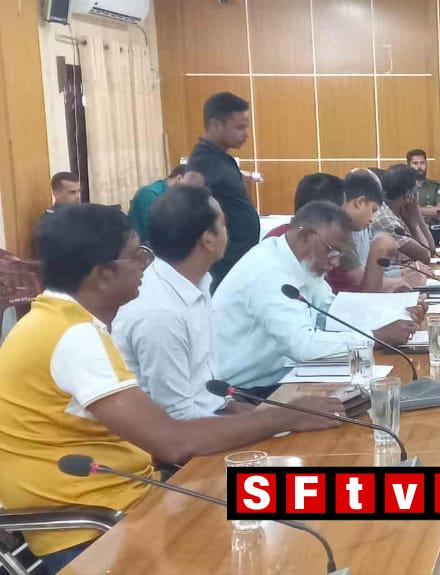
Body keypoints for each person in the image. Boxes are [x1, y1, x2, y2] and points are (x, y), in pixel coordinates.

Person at [0, 204, 344, 571]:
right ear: (101, 274)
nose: (146, 266)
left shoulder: (59, 322)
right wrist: (282, 417)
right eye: (137, 256)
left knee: (298, 505)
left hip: (131, 497)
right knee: (283, 538)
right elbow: (172, 441)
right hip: (94, 531)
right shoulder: (72, 337)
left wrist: (272, 416)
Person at [213, 202, 421, 396]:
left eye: (340, 254)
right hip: (245, 392)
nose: (335, 262)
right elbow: (303, 346)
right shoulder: (267, 271)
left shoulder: (302, 261)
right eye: (332, 251)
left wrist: (394, 312)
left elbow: (332, 312)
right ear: (305, 236)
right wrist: (376, 337)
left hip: (287, 376)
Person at [114, 185, 235, 419]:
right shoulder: (160, 313)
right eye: (223, 225)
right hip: (178, 434)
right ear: (208, 240)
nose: (227, 233)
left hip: (210, 416)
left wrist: (242, 411)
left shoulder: (195, 282)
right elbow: (177, 416)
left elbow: (205, 387)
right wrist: (258, 425)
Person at [264, 171, 400, 293]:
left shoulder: (310, 254)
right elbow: (361, 293)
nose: (336, 262)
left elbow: (326, 303)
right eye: (340, 211)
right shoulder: (277, 258)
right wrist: (379, 250)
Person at [186, 92, 256, 289]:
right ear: (216, 125)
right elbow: (185, 207)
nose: (246, 134)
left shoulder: (221, 158)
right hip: (222, 266)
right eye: (240, 127)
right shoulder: (203, 161)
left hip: (236, 260)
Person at [370, 164, 436, 265]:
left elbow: (432, 250)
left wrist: (416, 214)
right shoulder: (386, 220)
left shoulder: (398, 211)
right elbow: (426, 256)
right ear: (409, 195)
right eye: (416, 191)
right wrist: (414, 224)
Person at [128, 165, 206, 243]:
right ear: (179, 178)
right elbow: (155, 232)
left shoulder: (175, 196)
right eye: (190, 188)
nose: (190, 193)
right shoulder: (149, 193)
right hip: (145, 246)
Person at [408, 148, 440, 243]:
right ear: (409, 165)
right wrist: (430, 211)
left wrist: (416, 210)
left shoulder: (435, 186)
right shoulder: (404, 187)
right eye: (415, 163)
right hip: (411, 230)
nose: (419, 167)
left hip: (434, 229)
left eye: (422, 163)